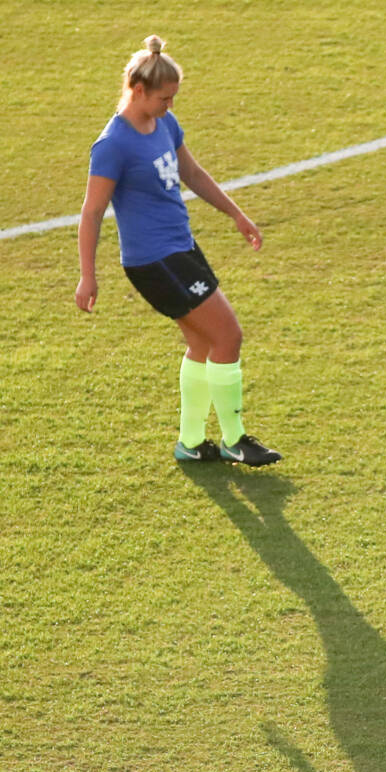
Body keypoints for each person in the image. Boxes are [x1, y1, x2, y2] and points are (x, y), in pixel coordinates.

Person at [75, 35, 281, 466]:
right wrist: (88, 275)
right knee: (228, 335)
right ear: (138, 90)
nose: (169, 106)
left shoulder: (164, 124)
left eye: (173, 98)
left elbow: (192, 172)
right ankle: (234, 438)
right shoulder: (112, 145)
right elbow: (92, 213)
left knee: (204, 343)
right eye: (164, 98)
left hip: (181, 248)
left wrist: (236, 214)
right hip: (154, 261)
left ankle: (190, 444)